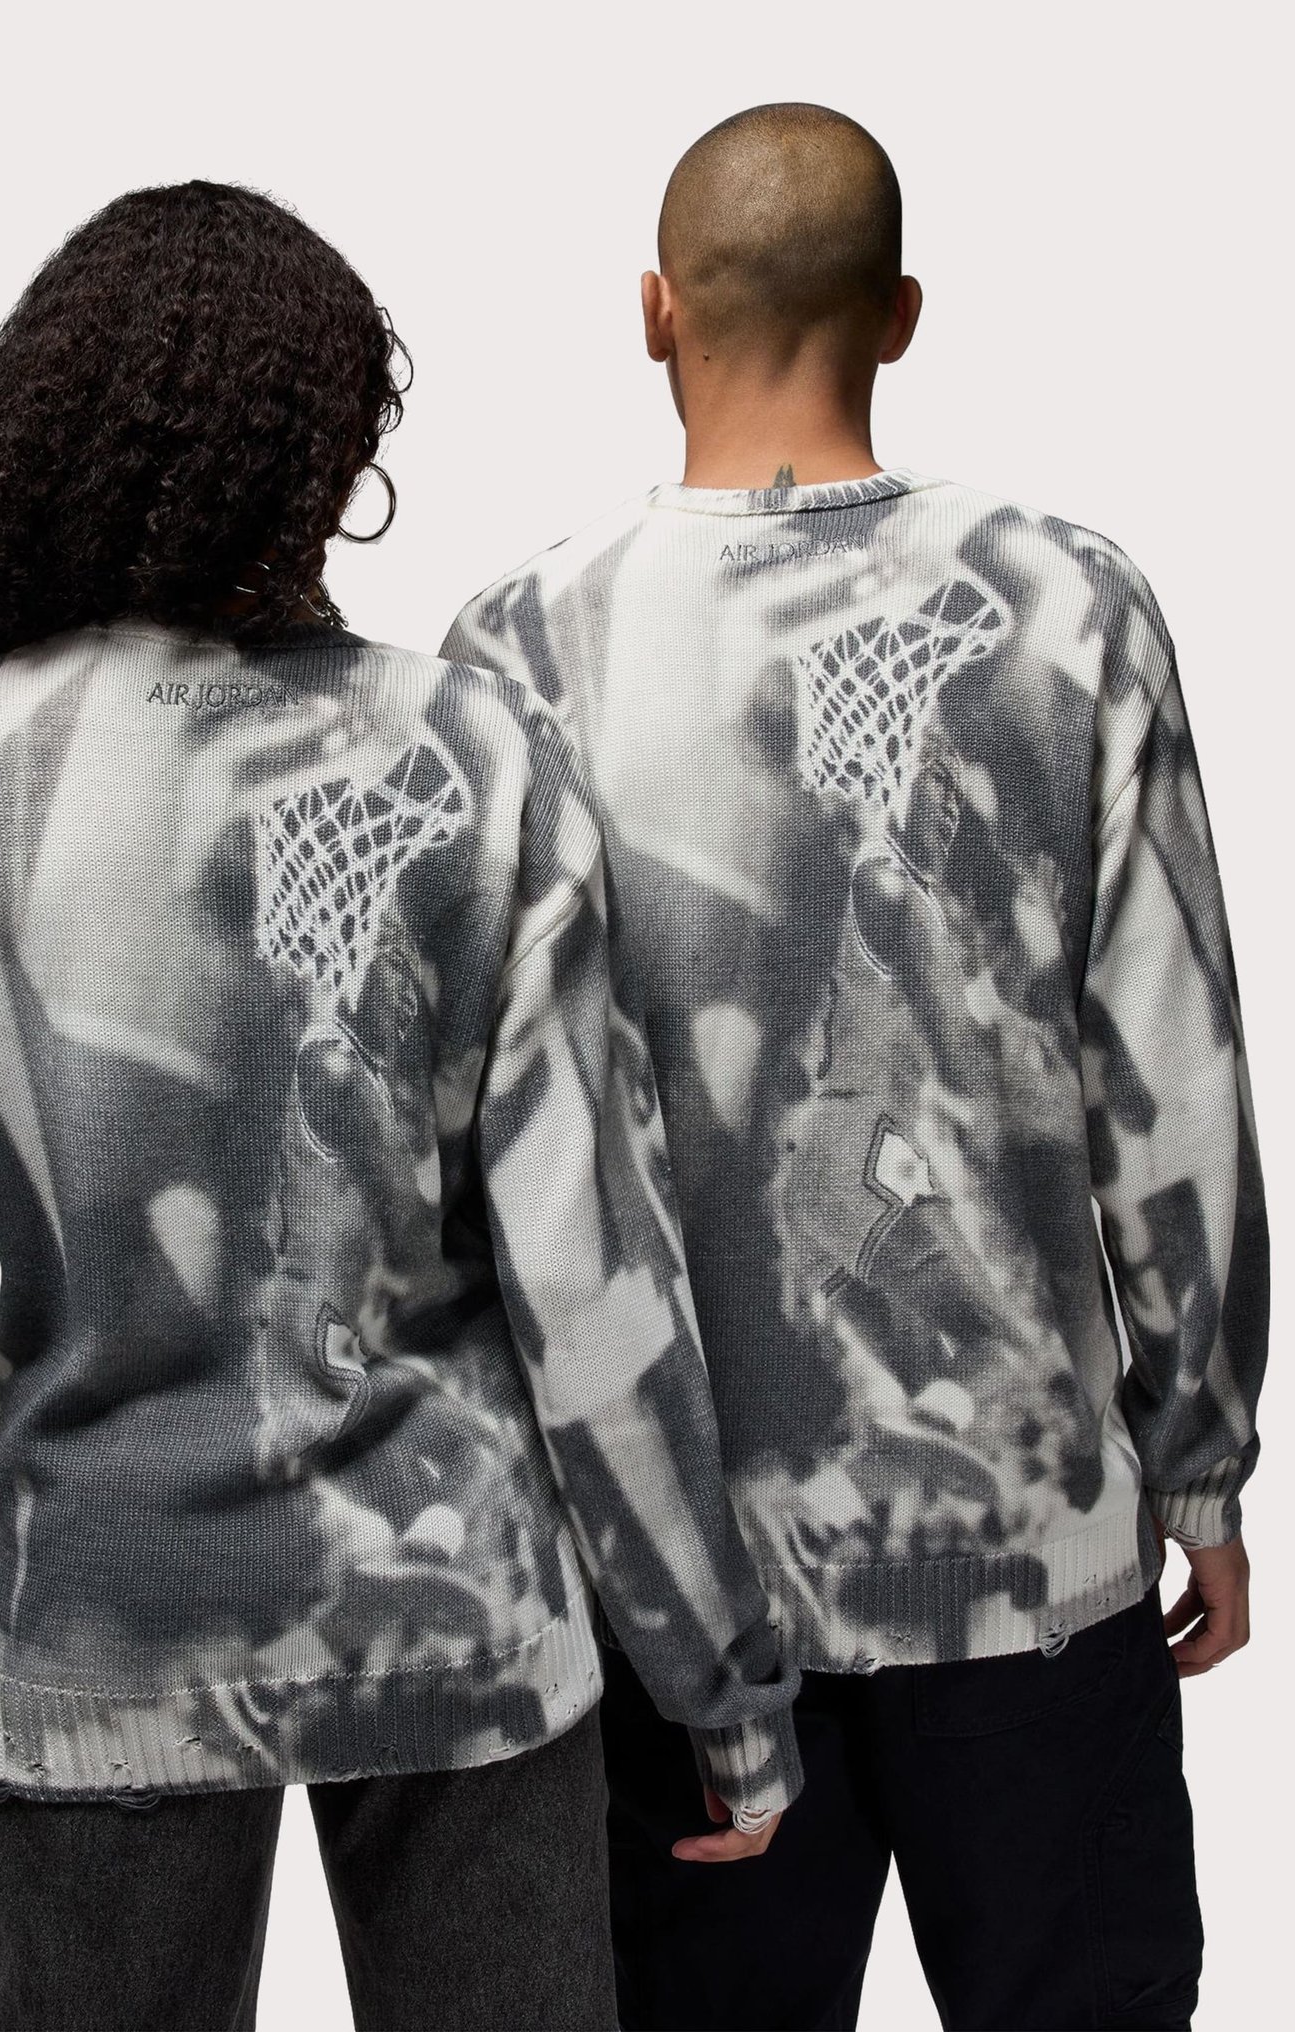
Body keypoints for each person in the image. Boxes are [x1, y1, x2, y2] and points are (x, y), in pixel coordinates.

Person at [0, 180, 801, 2032]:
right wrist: (720, 1678)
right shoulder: (477, 748)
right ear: (326, 448)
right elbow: (593, 1280)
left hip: (103, 1631)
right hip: (459, 1618)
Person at [442, 104, 1268, 2032]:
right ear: (900, 316)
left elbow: (476, 1160)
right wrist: (1204, 1468)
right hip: (1030, 1556)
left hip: (682, 1600)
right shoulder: (1072, 604)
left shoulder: (515, 653)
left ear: (655, 313)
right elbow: (1173, 1084)